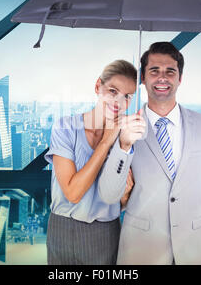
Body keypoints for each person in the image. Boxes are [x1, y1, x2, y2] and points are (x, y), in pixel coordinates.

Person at [98, 42, 201, 265]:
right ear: (143, 78)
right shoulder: (122, 127)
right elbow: (109, 196)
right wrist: (124, 145)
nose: (162, 78)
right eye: (154, 71)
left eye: (170, 71)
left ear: (180, 79)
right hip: (140, 252)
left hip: (194, 250)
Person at [44, 60, 140, 265]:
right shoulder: (66, 127)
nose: (119, 102)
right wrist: (106, 141)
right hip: (62, 228)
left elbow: (123, 196)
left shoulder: (128, 138)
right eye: (113, 91)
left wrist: (123, 198)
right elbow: (73, 193)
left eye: (127, 96)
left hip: (104, 232)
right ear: (98, 87)